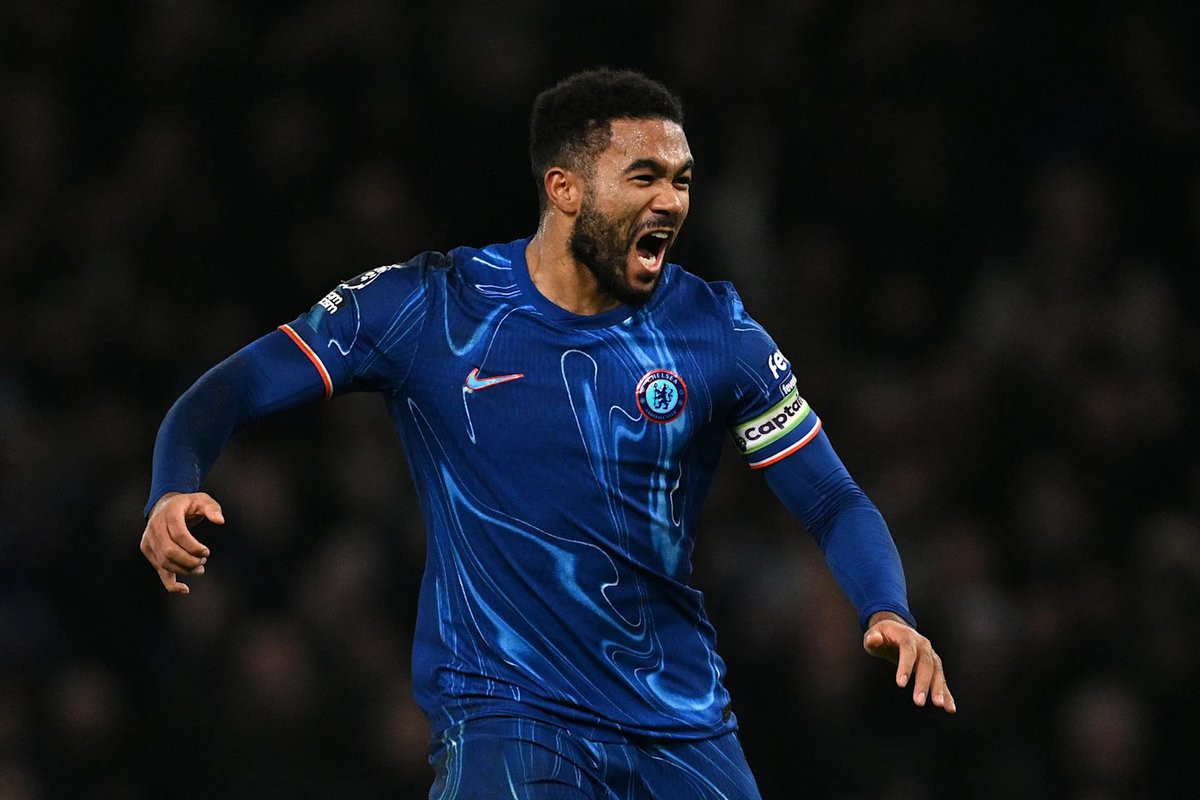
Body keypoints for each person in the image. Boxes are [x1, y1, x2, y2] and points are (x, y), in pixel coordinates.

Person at [140, 67, 955, 799]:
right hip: (510, 716)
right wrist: (173, 483)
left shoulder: (717, 331)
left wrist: (886, 606)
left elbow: (832, 500)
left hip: (682, 723)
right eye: (644, 176)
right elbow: (232, 387)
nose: (671, 201)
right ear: (564, 189)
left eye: (681, 179)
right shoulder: (434, 309)